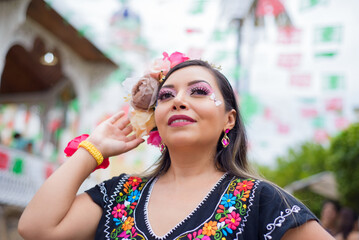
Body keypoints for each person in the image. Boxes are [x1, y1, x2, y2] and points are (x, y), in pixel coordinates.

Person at [18, 53, 334, 240]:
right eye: (166, 96)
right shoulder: (120, 194)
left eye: (198, 91)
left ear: (229, 119)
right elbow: (36, 229)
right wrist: (93, 148)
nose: (178, 100)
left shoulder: (261, 200)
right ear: (155, 118)